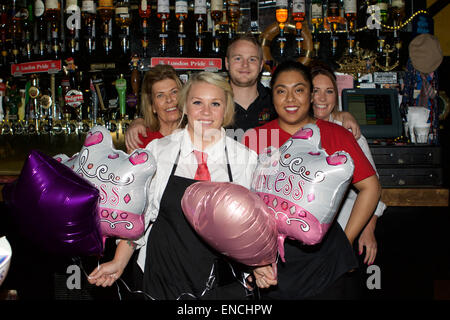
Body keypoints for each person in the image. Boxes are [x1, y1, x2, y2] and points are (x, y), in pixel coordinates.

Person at [88, 72, 258, 300]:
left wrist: (257, 269)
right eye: (198, 102)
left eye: (215, 103)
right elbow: (141, 215)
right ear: (185, 106)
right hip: (161, 274)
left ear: (225, 108)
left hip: (218, 284)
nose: (206, 112)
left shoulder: (245, 159)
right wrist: (119, 262)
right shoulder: (158, 150)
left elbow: (252, 230)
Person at [243, 60, 381, 300]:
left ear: (310, 94)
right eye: (281, 91)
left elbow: (371, 187)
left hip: (324, 257)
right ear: (272, 96)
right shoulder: (255, 138)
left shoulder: (335, 134)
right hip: (272, 260)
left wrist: (345, 242)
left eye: (299, 90)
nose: (290, 99)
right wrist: (253, 258)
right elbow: (242, 201)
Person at [124, 34, 360, 151]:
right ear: (227, 62)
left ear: (260, 65)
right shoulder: (210, 105)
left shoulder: (278, 102)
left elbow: (309, 122)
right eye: (238, 58)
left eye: (252, 59)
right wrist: (140, 120)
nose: (245, 65)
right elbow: (172, 118)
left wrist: (340, 115)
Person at [311, 63, 386, 266]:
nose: (322, 98)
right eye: (315, 91)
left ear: (336, 96)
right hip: (307, 239)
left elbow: (374, 188)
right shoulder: (297, 131)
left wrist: (368, 230)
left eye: (329, 91)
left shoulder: (348, 131)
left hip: (346, 230)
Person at [124, 64, 182, 153]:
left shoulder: (195, 134)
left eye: (174, 92)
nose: (169, 99)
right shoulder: (140, 141)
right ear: (152, 106)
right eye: (160, 95)